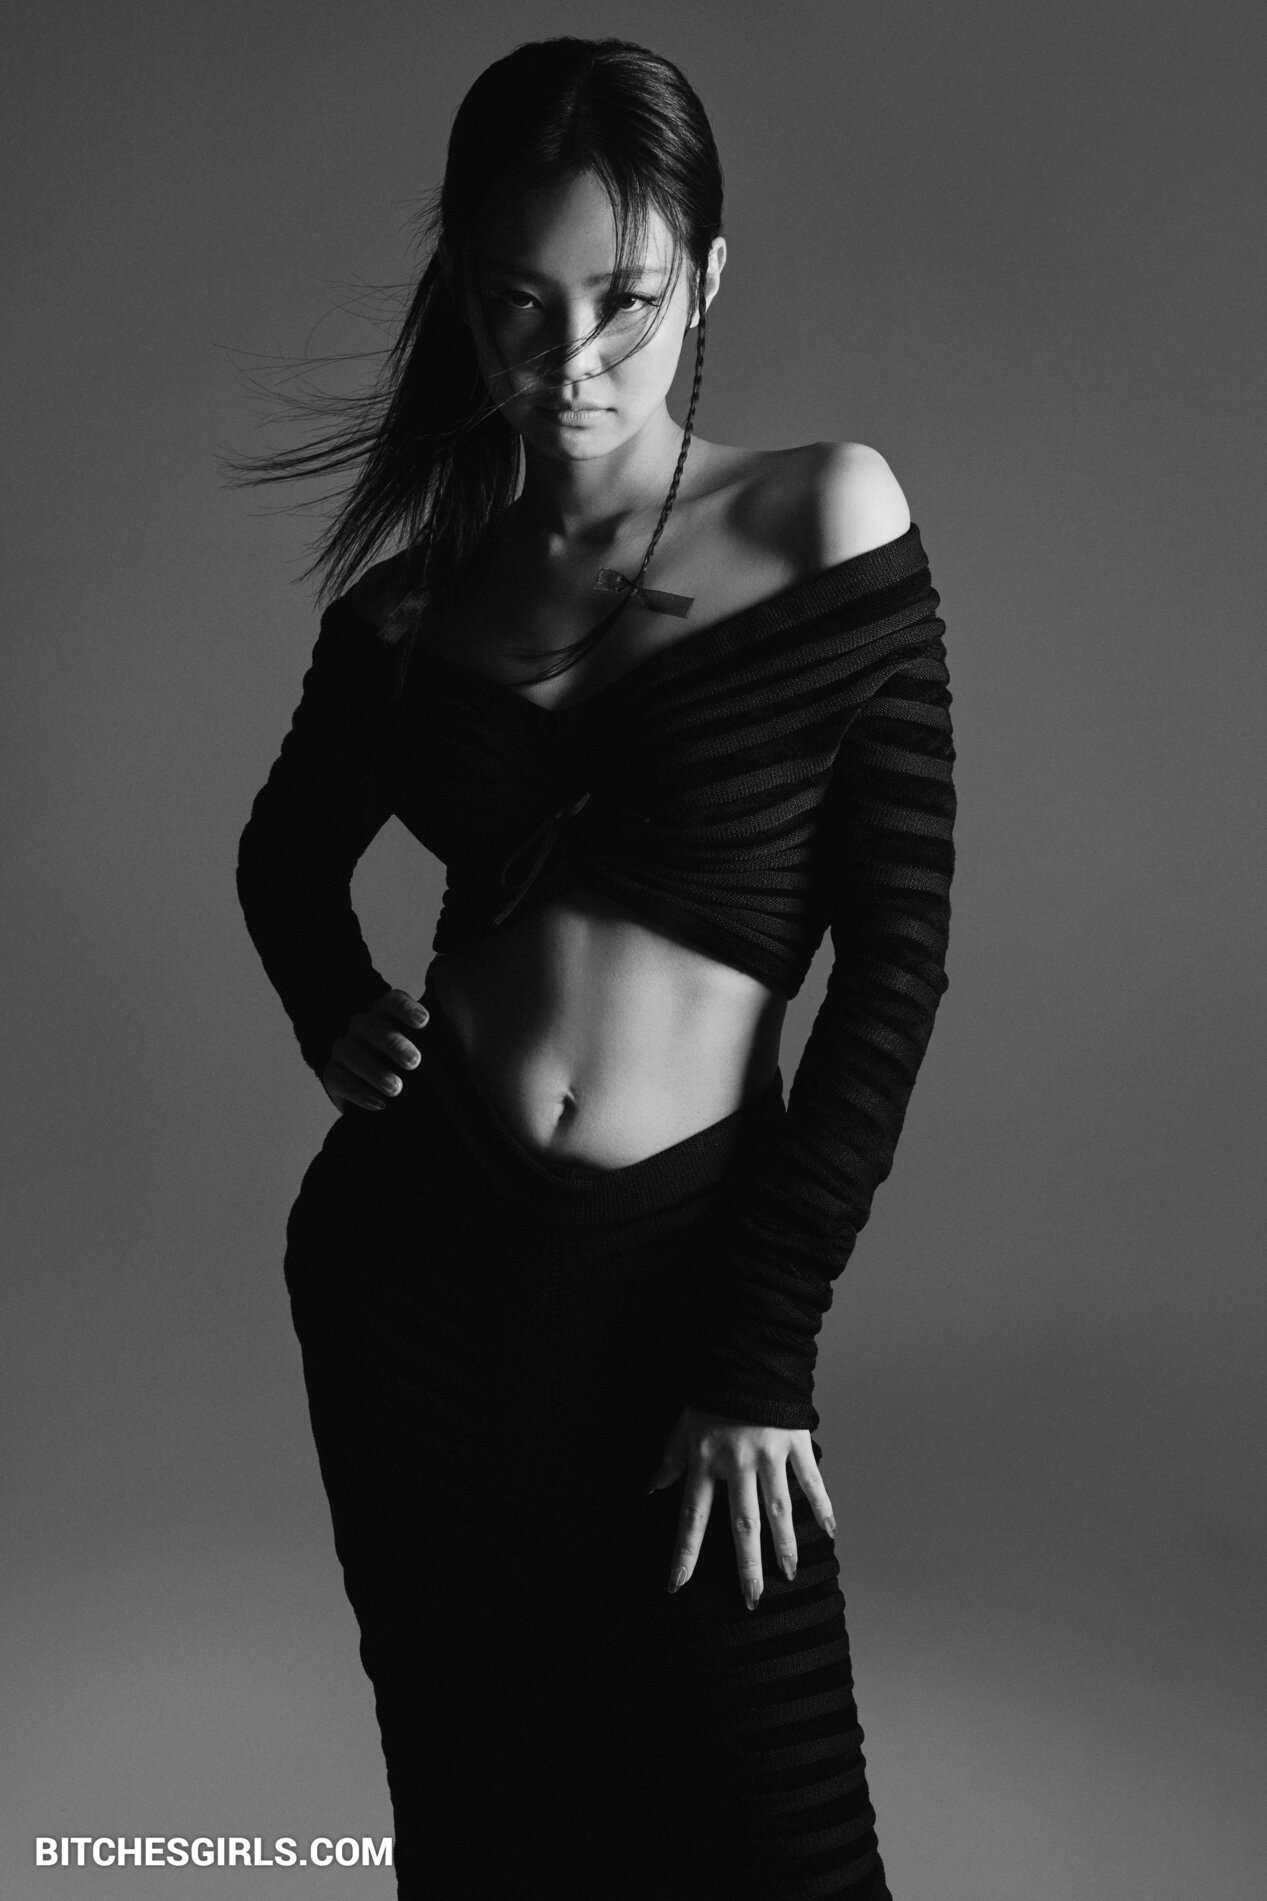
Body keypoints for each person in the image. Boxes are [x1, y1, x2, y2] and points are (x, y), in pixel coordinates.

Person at [235, 35, 955, 1900]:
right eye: (519, 303)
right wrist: (334, 1008)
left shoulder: (827, 522)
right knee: (487, 1824)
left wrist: (758, 1345)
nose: (572, 358)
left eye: (625, 301)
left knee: (786, 1843)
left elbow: (896, 964)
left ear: (707, 275)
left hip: (682, 1284)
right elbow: (284, 858)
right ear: (465, 298)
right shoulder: (417, 607)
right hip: (415, 1278)